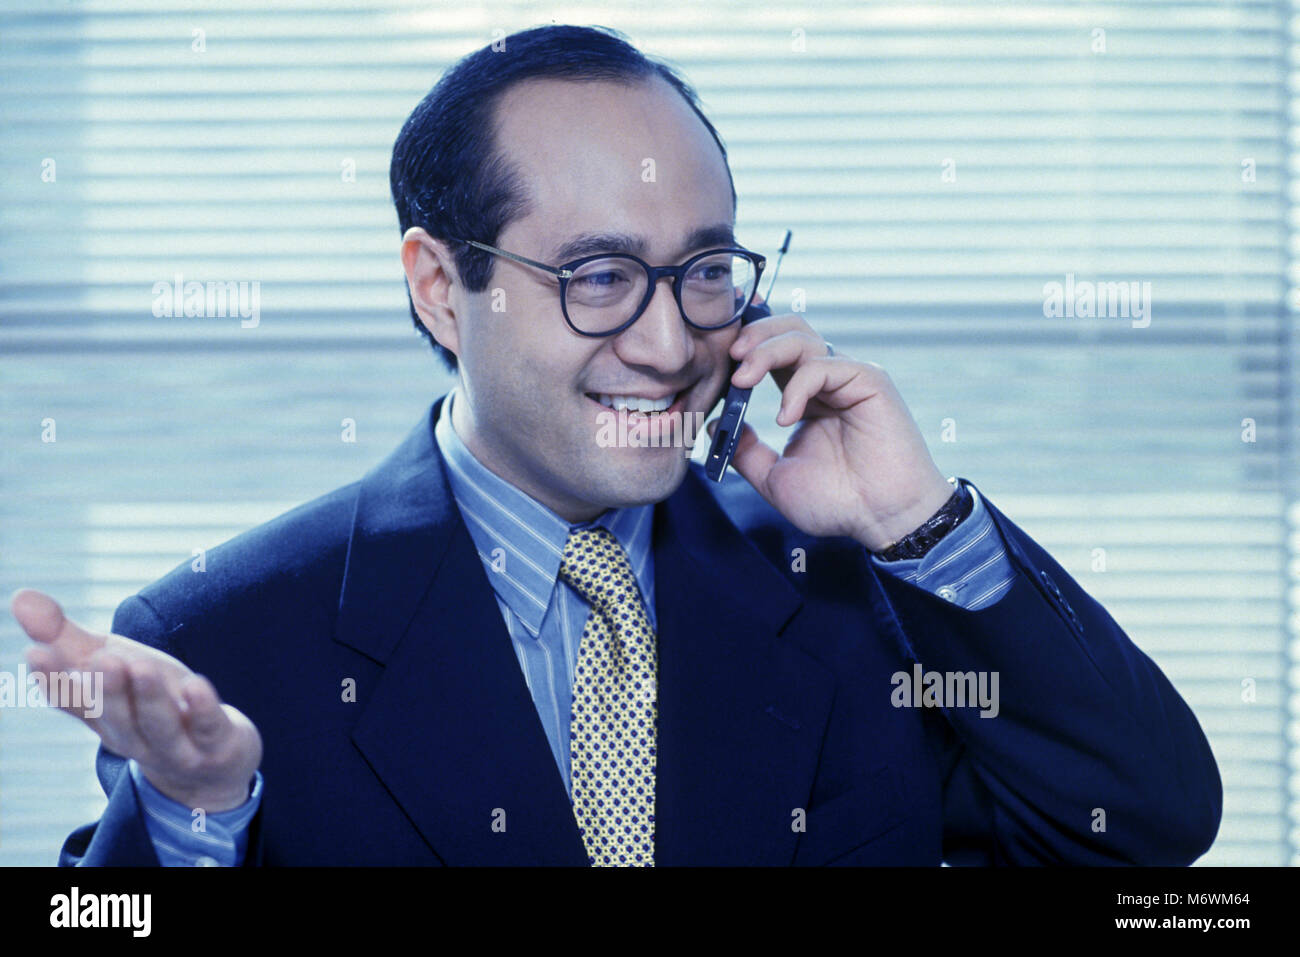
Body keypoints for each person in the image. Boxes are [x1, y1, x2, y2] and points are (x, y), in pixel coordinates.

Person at [13, 24, 1221, 866]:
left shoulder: (856, 587)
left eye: (703, 270)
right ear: (442, 289)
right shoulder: (224, 637)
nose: (665, 343)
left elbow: (1145, 825)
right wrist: (195, 804)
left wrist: (925, 526)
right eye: (597, 275)